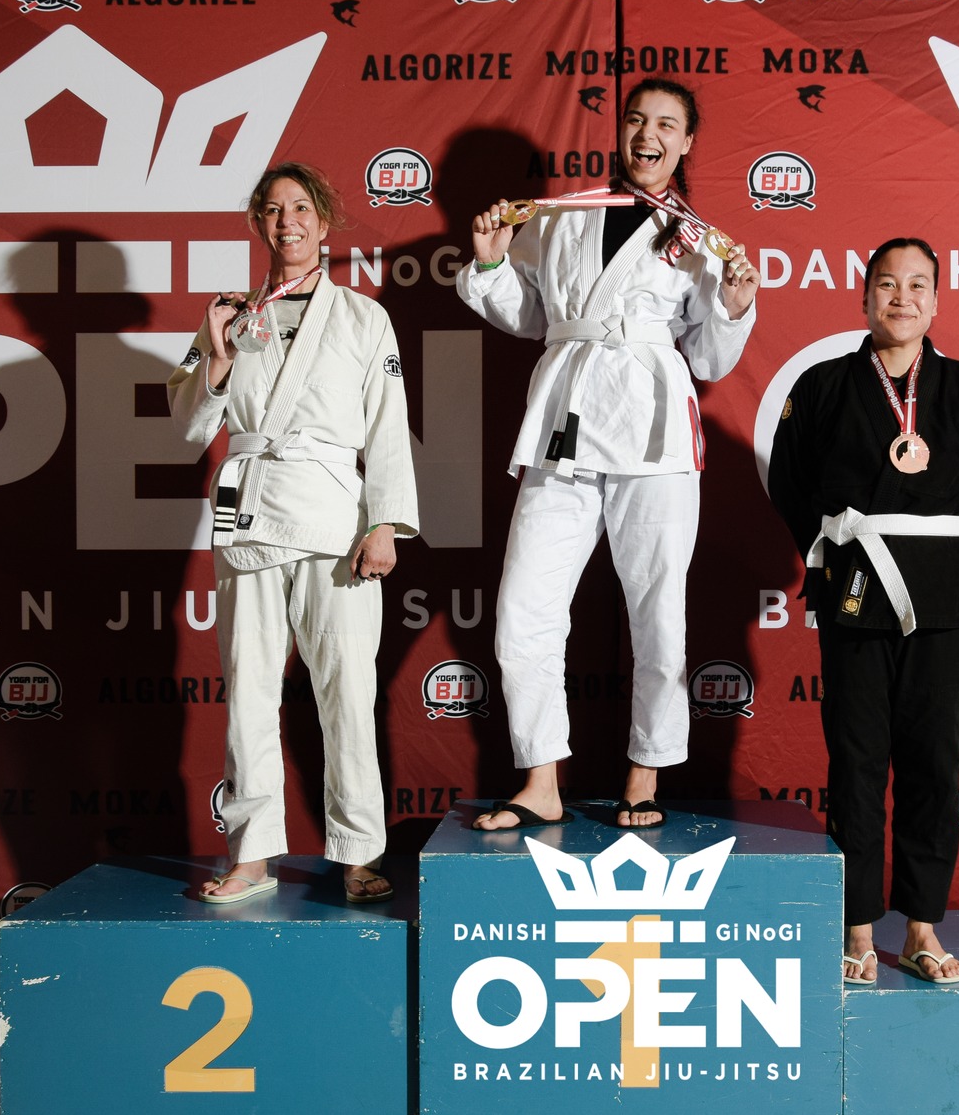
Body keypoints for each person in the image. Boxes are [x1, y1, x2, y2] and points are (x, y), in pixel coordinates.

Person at [458, 78, 760, 831]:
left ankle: (645, 771)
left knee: (657, 609)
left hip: (653, 432)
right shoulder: (562, 216)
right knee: (523, 609)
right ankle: (540, 779)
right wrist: (491, 265)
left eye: (666, 124)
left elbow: (710, 359)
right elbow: (533, 316)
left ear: (686, 143)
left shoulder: (702, 241)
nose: (648, 135)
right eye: (636, 120)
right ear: (620, 131)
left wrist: (734, 306)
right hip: (564, 423)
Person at [168, 162, 418, 903]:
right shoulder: (229, 316)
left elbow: (389, 428)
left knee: (348, 691)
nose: (288, 223)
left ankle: (359, 852)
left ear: (324, 220)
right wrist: (216, 358)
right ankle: (250, 855)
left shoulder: (363, 318)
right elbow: (187, 424)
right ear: (258, 223)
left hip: (336, 521)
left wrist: (385, 522)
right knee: (248, 689)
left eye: (301, 208)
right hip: (249, 511)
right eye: (273, 210)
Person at [767, 239, 959, 983]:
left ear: (937, 300)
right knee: (858, 762)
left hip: (937, 595)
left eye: (918, 285)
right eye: (887, 284)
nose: (902, 297)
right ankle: (859, 929)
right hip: (855, 590)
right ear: (865, 295)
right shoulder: (823, 384)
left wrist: (923, 542)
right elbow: (789, 483)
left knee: (935, 761)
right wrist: (843, 551)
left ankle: (923, 929)